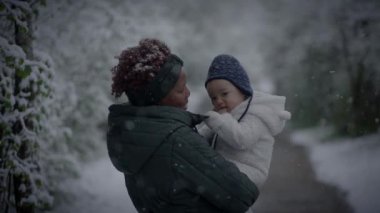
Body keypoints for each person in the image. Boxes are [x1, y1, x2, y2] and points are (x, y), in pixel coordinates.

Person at [106, 39, 259, 213]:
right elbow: (243, 194)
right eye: (180, 90)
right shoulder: (176, 141)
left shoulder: (132, 134)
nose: (188, 93)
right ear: (156, 97)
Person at [198, 54, 291, 190]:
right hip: (231, 169)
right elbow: (210, 133)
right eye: (213, 97)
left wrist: (217, 120)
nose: (218, 101)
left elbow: (242, 139)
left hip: (249, 171)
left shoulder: (256, 114)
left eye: (224, 94)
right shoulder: (228, 114)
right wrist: (196, 134)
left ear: (241, 90)